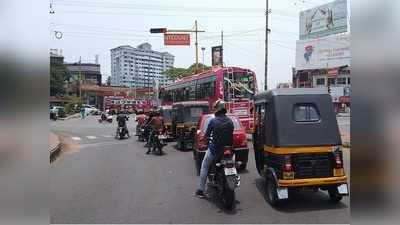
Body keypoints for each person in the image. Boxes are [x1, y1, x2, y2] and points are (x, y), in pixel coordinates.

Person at [195, 100, 234, 198]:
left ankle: (200, 190)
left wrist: (202, 140)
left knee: (204, 166)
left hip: (215, 149)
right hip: (229, 149)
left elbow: (207, 136)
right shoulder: (230, 121)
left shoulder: (213, 121)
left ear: (216, 109)